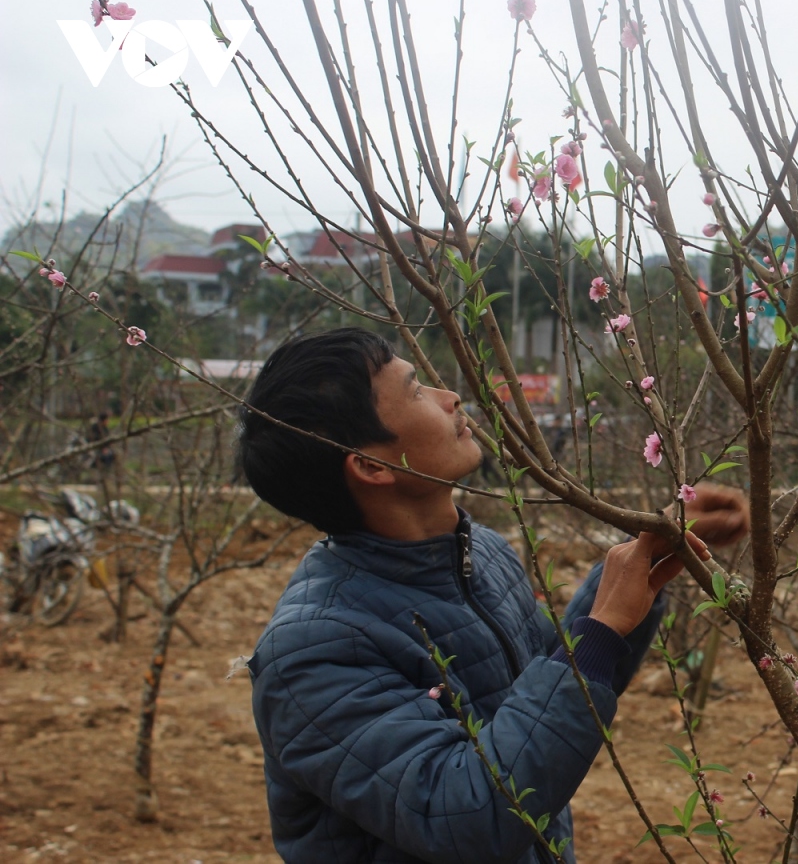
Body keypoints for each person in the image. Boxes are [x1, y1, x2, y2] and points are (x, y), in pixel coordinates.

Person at [236, 328, 749, 863]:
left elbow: (546, 687)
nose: (449, 397)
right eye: (415, 392)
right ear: (371, 466)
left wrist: (641, 562)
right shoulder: (313, 651)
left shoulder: (478, 552)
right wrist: (603, 627)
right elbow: (469, 814)